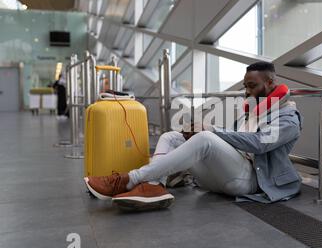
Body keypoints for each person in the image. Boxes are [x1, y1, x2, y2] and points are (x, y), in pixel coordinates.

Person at [84, 61, 303, 210]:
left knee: (205, 138)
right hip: (223, 176)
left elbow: (258, 144)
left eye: (252, 86)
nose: (246, 92)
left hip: (251, 182)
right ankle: (154, 186)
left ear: (271, 84)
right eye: (245, 86)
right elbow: (234, 142)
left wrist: (210, 130)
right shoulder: (254, 112)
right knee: (172, 137)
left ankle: (129, 180)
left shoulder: (288, 119)